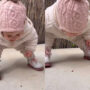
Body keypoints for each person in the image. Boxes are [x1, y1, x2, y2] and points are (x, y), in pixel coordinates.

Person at [45, 0, 90, 67]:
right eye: (70, 32)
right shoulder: (48, 20)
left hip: (77, 35)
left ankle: (87, 49)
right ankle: (46, 53)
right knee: (47, 37)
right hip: (53, 31)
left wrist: (88, 38)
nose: (71, 34)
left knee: (81, 39)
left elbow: (88, 29)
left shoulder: (87, 20)